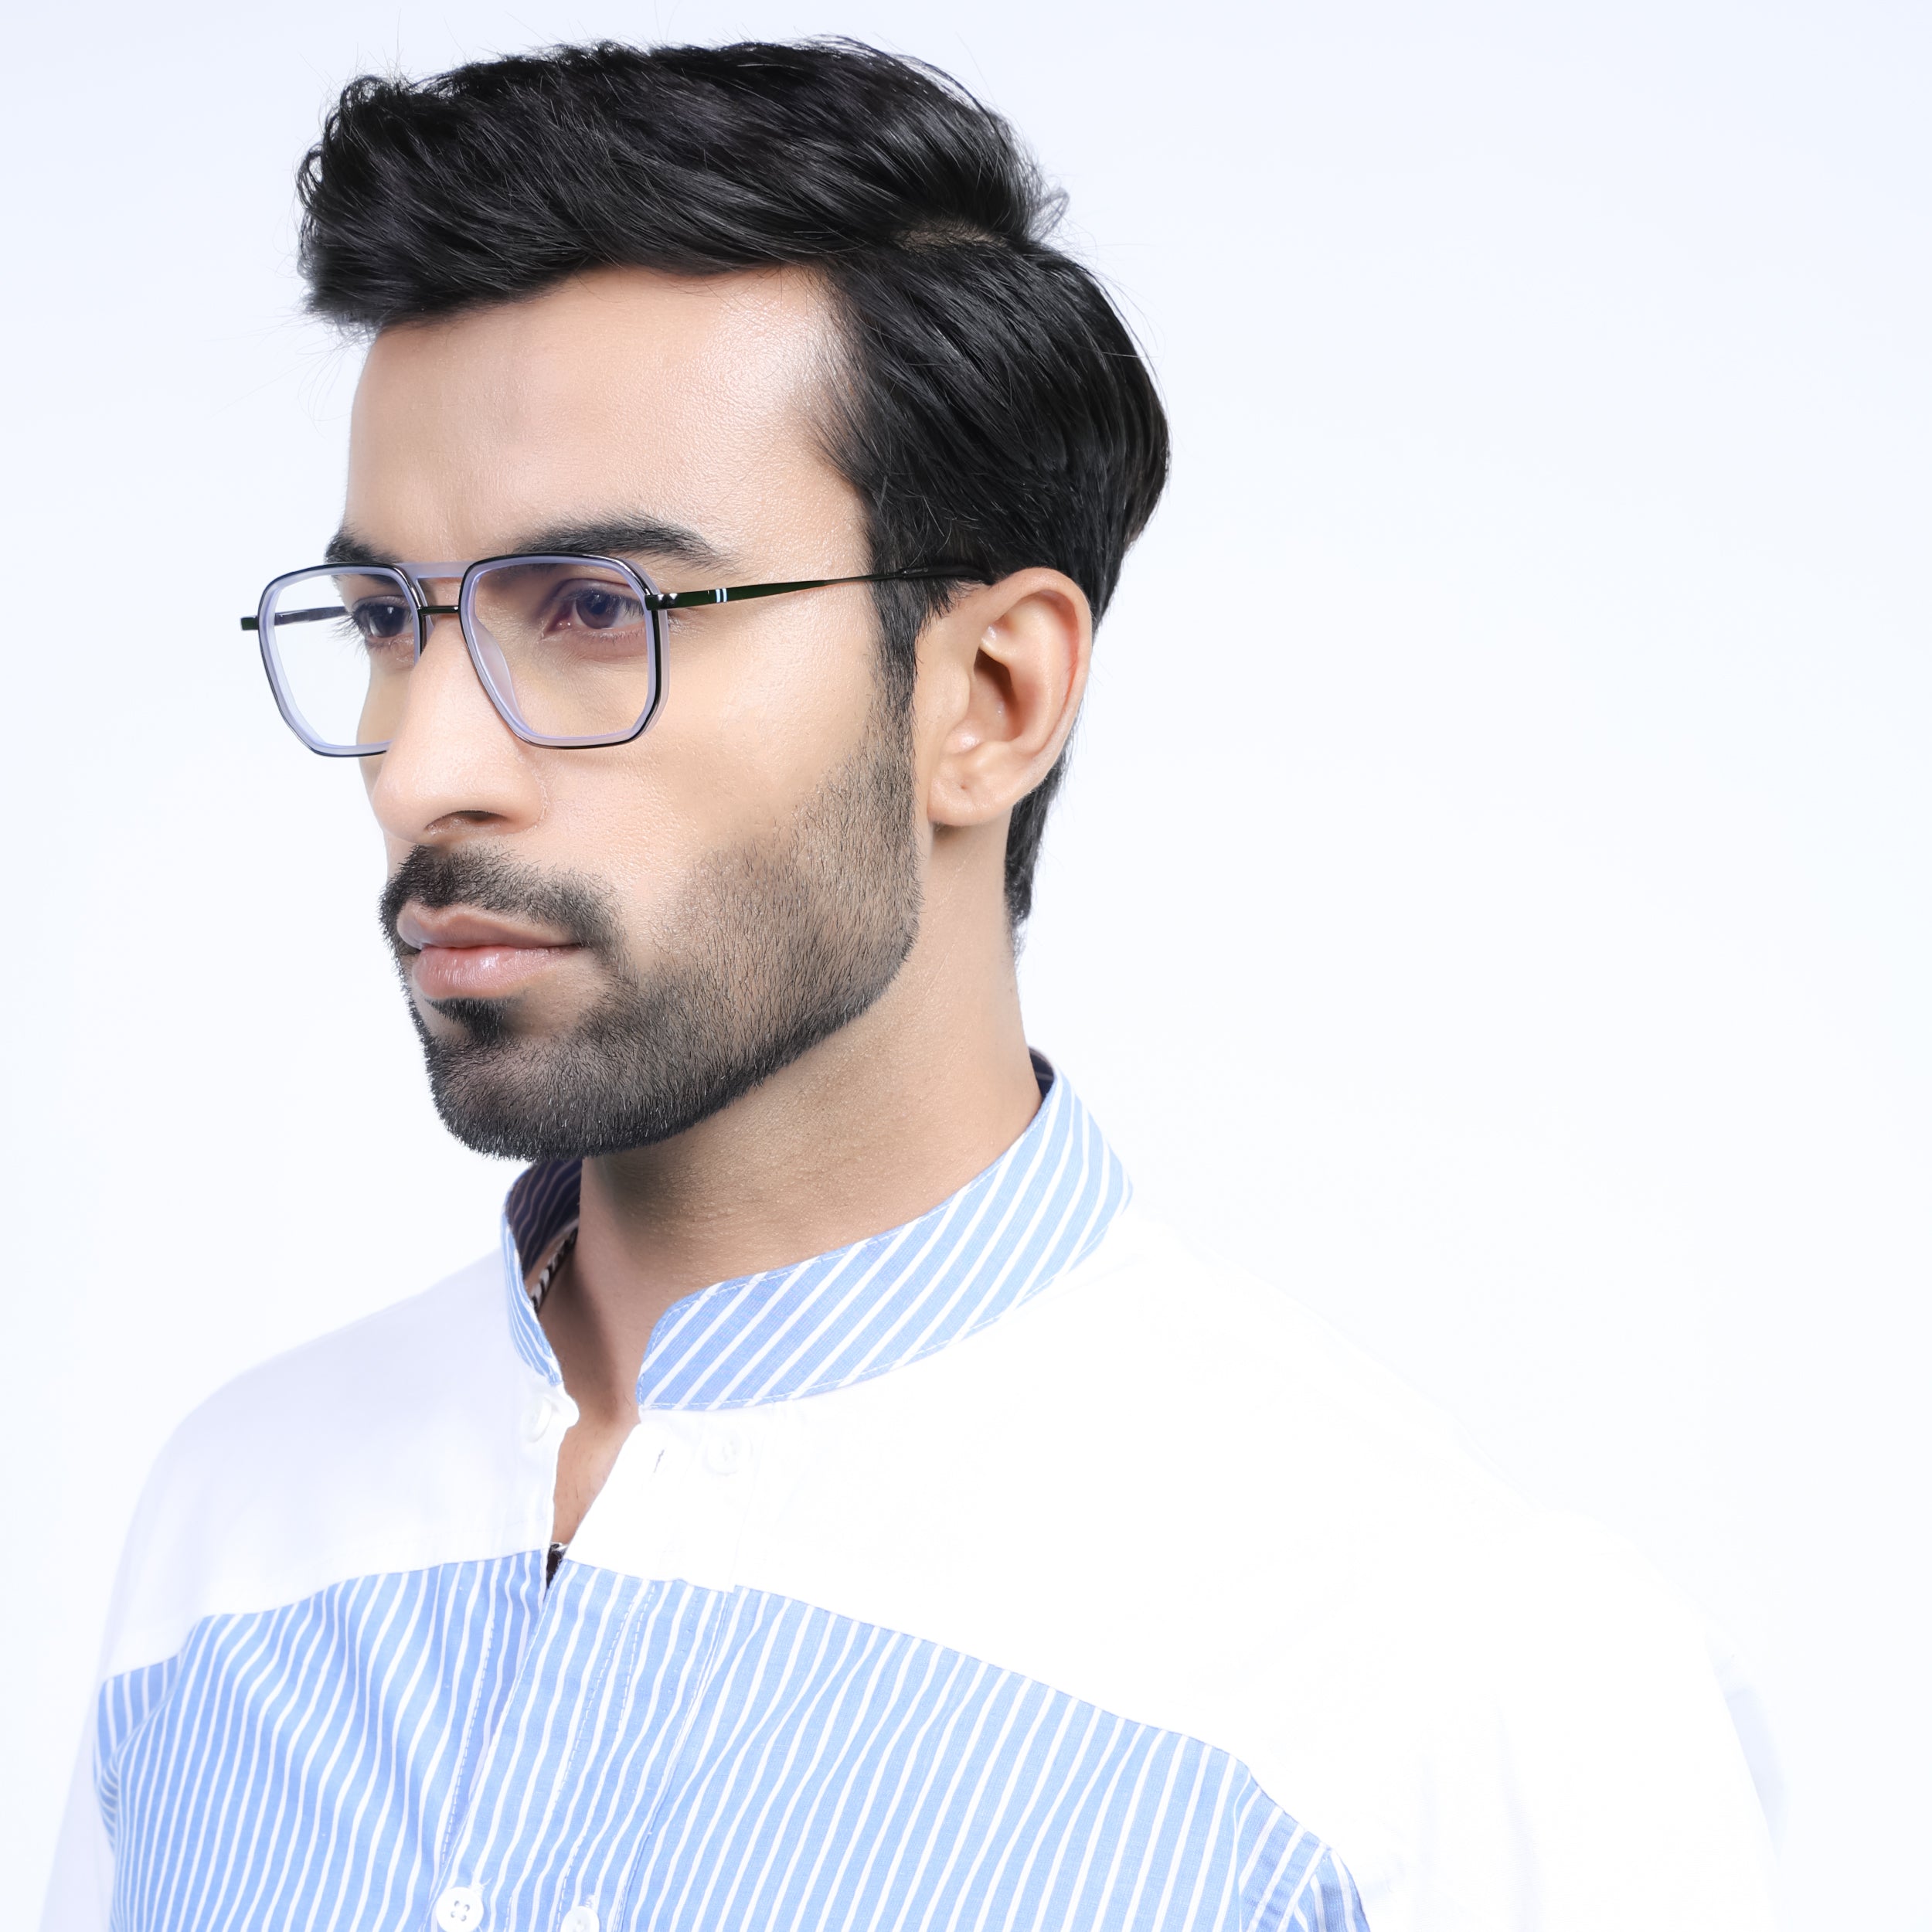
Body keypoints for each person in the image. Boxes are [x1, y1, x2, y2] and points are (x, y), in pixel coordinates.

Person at [45, 39, 1777, 1932]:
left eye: (598, 610)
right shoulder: (236, 1527)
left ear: (990, 697)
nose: (421, 764)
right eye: (390, 620)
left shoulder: (1451, 1693)